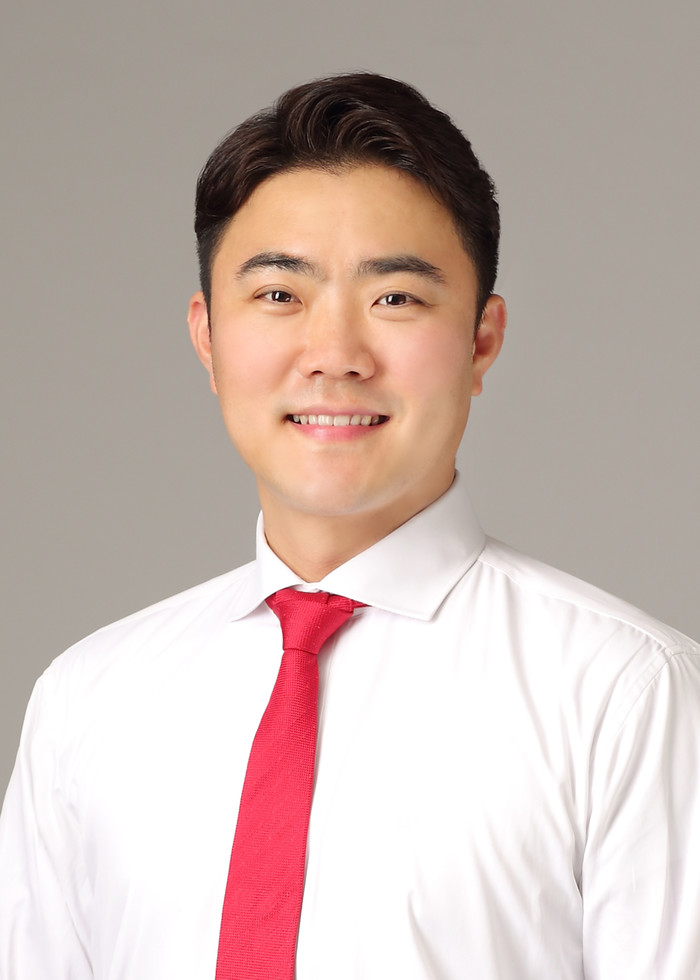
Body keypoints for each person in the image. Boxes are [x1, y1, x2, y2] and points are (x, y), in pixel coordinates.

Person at [1, 72, 699, 980]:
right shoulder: (87, 704)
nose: (334, 356)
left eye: (395, 299)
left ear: (482, 340)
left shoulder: (626, 698)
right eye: (279, 295)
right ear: (207, 338)